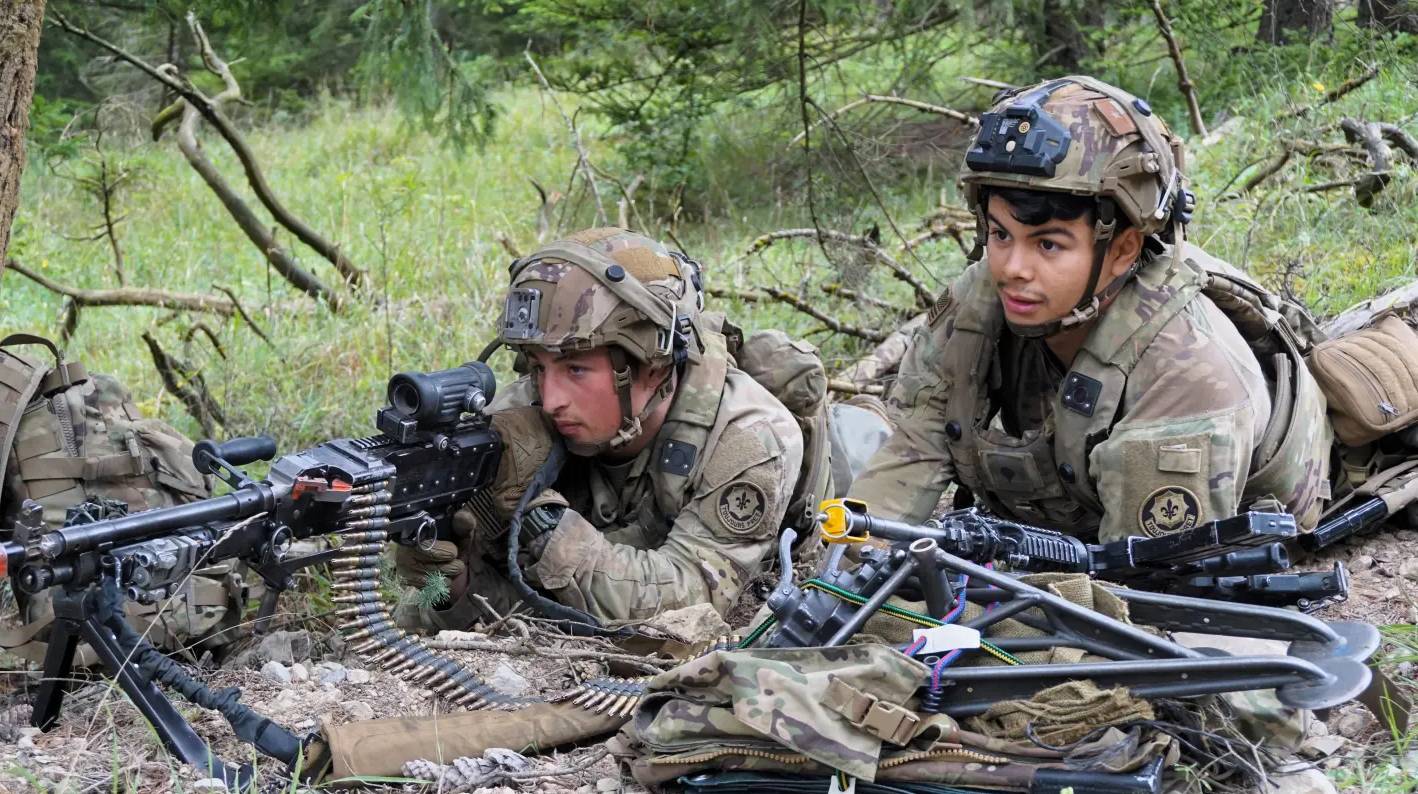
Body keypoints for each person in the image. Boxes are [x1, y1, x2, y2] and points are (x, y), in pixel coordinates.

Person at [850, 75, 1335, 541]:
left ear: (1123, 249)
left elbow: (1145, 593)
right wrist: (832, 593)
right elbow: (908, 457)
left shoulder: (1183, 369)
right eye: (1000, 234)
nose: (1012, 268)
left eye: (1049, 245)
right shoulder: (978, 307)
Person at [395, 228, 816, 626]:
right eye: (538, 366)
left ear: (654, 365)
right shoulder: (522, 415)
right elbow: (519, 607)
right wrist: (452, 587)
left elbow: (688, 607)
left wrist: (541, 521)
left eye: (575, 368)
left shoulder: (751, 438)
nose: (551, 397)